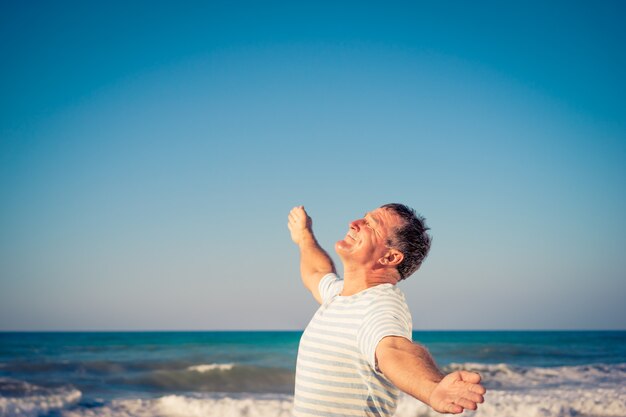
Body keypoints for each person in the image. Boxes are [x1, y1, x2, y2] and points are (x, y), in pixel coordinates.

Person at [288, 204, 485, 416]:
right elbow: (317, 271)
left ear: (390, 258)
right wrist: (304, 236)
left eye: (371, 225)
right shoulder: (339, 295)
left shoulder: (381, 304)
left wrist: (432, 388)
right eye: (363, 218)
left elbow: (394, 349)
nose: (354, 224)